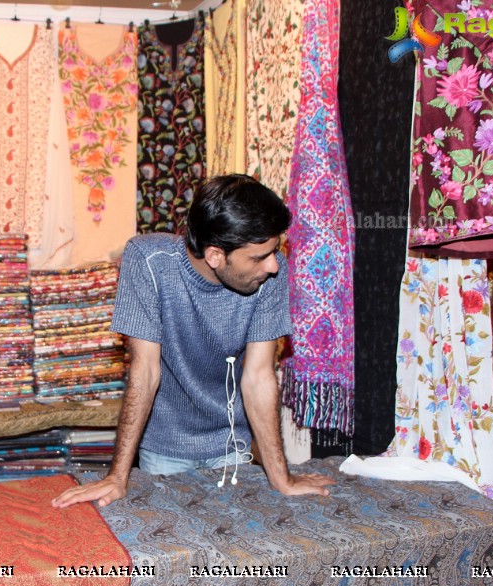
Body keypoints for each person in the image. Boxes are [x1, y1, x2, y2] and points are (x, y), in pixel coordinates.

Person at [52, 174, 335, 509]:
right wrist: (117, 476)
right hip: (166, 450)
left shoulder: (271, 275)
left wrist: (282, 478)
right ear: (215, 255)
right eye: (260, 256)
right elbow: (145, 371)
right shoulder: (148, 262)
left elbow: (259, 377)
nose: (273, 265)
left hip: (234, 447)